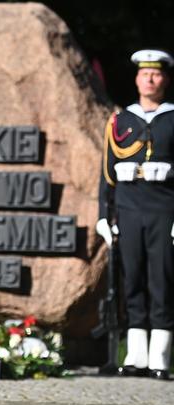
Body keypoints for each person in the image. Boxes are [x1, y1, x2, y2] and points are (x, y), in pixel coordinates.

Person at [97, 48, 174, 380]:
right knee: (132, 281)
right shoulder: (119, 120)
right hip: (128, 209)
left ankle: (159, 358)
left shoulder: (173, 118)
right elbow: (107, 173)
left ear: (165, 79)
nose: (150, 79)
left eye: (156, 74)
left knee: (162, 280)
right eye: (145, 74)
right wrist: (104, 214)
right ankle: (136, 357)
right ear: (137, 79)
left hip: (163, 208)